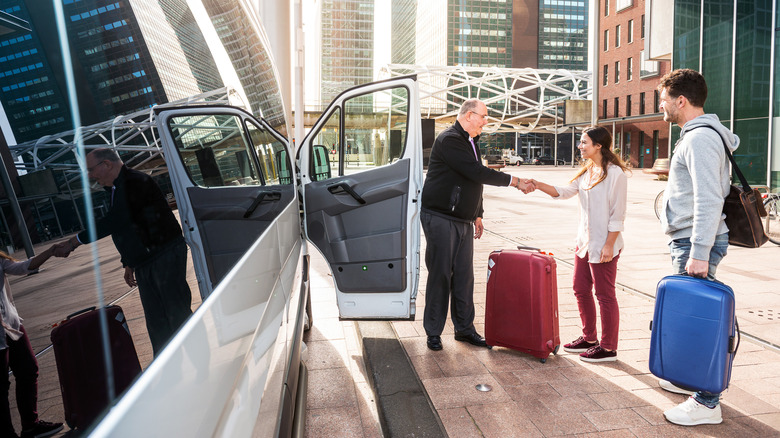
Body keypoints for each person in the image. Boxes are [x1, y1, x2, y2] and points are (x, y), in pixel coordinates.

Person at [655, 69, 738, 426]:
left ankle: (707, 402)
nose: (662, 107)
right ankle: (691, 380)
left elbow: (708, 199)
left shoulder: (699, 139)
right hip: (690, 238)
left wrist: (699, 252)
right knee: (689, 315)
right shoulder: (698, 136)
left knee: (698, 320)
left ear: (681, 100)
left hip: (695, 240)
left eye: (664, 100)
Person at [55, 148, 193, 356]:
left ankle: (198, 363)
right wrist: (128, 262)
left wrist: (75, 241)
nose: (90, 176)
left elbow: (117, 220)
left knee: (176, 314)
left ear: (107, 165)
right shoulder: (118, 188)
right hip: (147, 260)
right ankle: (166, 371)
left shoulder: (134, 182)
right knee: (157, 321)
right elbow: (131, 227)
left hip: (163, 255)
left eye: (91, 170)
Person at [420, 98, 534, 351]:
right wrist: (515, 181)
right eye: (483, 117)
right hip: (441, 217)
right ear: (469, 115)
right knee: (440, 275)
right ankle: (433, 332)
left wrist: (477, 212)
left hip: (462, 219)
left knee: (463, 276)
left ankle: (464, 329)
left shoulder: (470, 141)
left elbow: (473, 181)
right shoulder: (449, 139)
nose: (485, 122)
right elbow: (476, 172)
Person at [531, 126, 628, 363]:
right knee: (580, 289)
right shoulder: (587, 172)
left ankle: (608, 348)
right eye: (580, 142)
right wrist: (536, 183)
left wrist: (608, 245)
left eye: (584, 142)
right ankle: (590, 338)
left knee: (605, 295)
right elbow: (564, 192)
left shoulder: (615, 175)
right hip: (584, 244)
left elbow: (618, 215)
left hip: (604, 245)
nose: (579, 146)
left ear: (598, 146)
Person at [1, 246, 64, 438]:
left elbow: (24, 267)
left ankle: (30, 425)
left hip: (11, 325)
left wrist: (51, 251)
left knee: (28, 369)